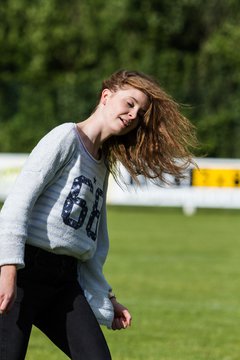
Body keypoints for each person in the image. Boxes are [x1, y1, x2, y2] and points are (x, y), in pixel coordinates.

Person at [0, 69, 197, 359]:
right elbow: (17, 204)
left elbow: (91, 242)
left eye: (140, 113)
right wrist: (7, 269)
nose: (133, 115)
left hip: (64, 284)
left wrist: (107, 297)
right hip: (22, 273)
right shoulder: (65, 138)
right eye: (129, 104)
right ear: (106, 96)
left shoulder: (102, 163)